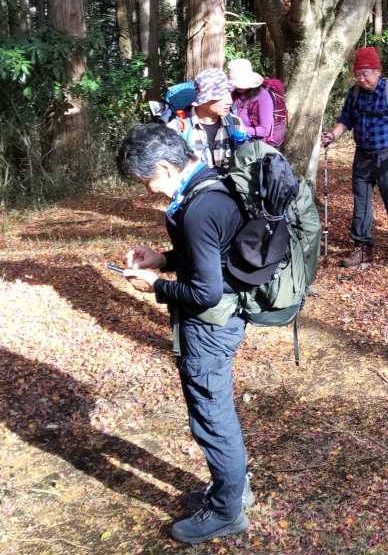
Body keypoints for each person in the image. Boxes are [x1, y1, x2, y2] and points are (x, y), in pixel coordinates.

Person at [114, 124, 254, 544]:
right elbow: (211, 254)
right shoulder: (212, 184)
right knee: (216, 414)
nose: (148, 191)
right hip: (223, 321)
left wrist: (154, 287)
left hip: (209, 329)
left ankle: (228, 512)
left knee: (212, 419)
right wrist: (162, 258)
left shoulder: (197, 208)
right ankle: (233, 490)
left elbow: (205, 292)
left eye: (148, 182)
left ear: (165, 166)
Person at [321, 46, 388, 268]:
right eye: (357, 74)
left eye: (365, 74)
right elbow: (346, 118)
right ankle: (362, 246)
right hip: (363, 156)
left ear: (377, 71)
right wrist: (333, 135)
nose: (361, 79)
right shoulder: (354, 93)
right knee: (361, 203)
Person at [168, 68, 244, 169]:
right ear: (204, 100)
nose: (229, 101)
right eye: (222, 97)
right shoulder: (177, 129)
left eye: (230, 94)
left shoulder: (235, 124)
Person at [227, 58, 276, 144]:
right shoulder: (231, 93)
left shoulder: (263, 96)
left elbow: (264, 130)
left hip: (252, 146)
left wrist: (237, 129)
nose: (238, 86)